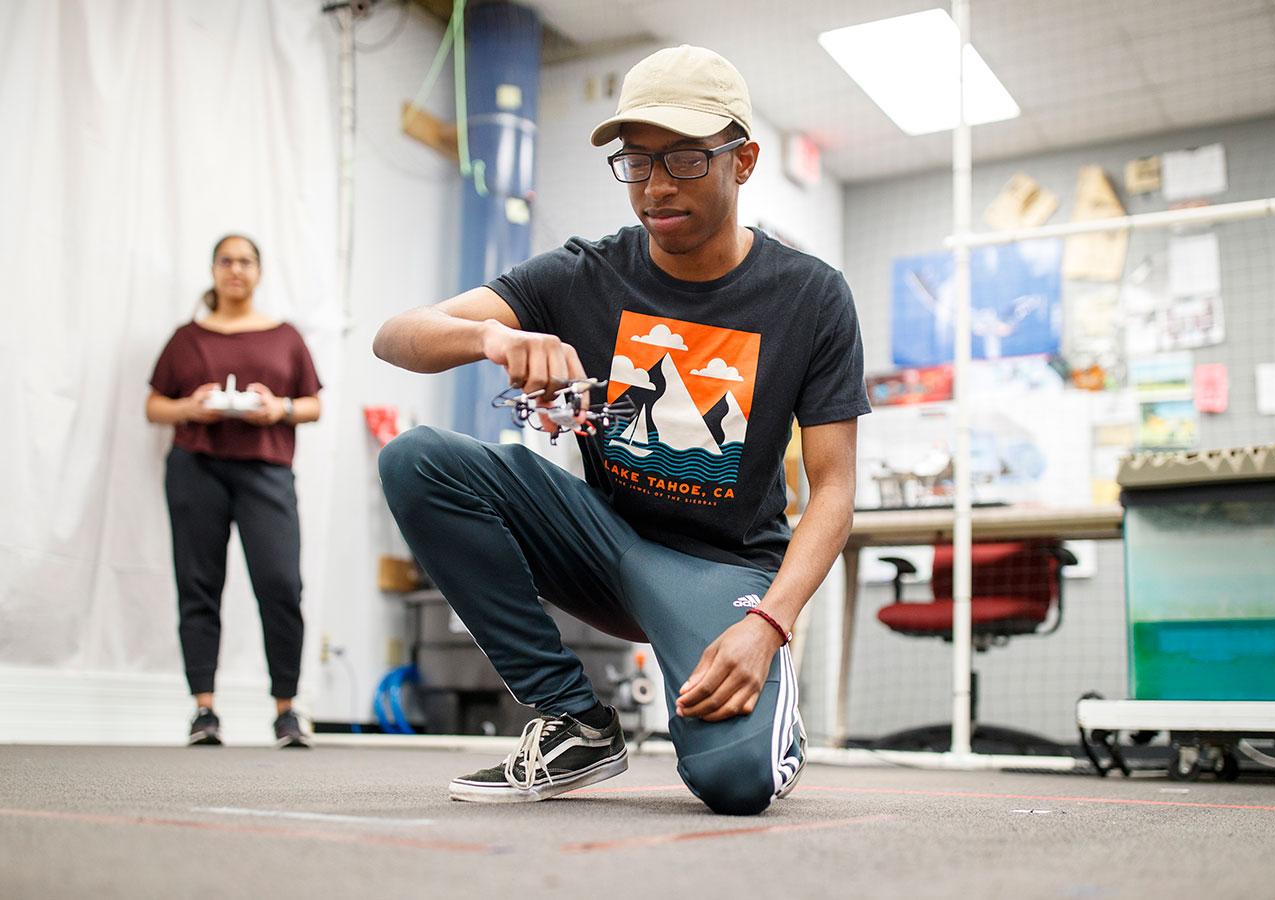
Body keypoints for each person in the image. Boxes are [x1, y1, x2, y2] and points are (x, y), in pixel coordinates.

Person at [373, 45, 868, 815]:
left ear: (744, 161)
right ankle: (572, 720)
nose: (657, 186)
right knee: (418, 461)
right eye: (636, 162)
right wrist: (490, 339)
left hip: (723, 572)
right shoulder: (584, 274)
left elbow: (834, 490)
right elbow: (397, 335)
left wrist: (772, 622)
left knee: (737, 785)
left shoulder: (810, 297)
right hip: (602, 544)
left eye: (684, 159)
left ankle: (764, 710)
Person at [146, 234, 323, 749]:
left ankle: (287, 712)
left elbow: (312, 404)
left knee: (281, 584)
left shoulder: (285, 336)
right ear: (213, 270)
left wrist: (280, 409)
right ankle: (204, 711)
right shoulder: (187, 337)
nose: (236, 270)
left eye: (245, 261)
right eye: (226, 261)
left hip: (265, 471)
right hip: (196, 469)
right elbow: (155, 405)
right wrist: (189, 408)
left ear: (259, 272)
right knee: (198, 584)